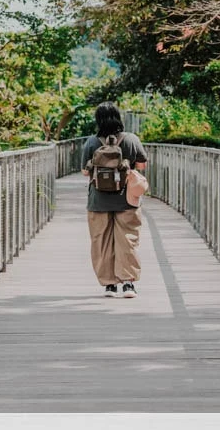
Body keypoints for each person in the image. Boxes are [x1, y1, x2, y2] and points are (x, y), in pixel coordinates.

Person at [81, 102, 148, 298]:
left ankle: (109, 285)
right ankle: (128, 283)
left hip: (98, 201)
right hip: (127, 199)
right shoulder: (131, 139)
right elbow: (142, 165)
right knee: (127, 240)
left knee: (101, 241)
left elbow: (85, 172)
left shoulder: (92, 142)